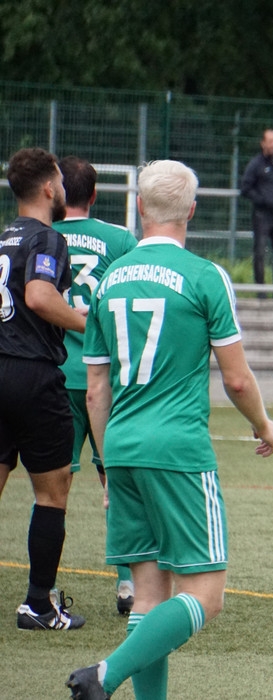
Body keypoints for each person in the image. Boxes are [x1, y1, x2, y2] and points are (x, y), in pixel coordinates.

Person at [66, 160, 273, 699]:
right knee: (206, 595)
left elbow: (95, 390)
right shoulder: (206, 277)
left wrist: (107, 462)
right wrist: (263, 423)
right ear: (192, 210)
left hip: (122, 447)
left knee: (147, 597)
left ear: (139, 207)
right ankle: (105, 674)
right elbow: (236, 379)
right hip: (178, 450)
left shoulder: (110, 280)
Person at [0, 147, 88, 631]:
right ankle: (38, 605)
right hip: (32, 374)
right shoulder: (47, 237)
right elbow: (38, 295)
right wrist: (85, 323)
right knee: (52, 492)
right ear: (50, 187)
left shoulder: (3, 238)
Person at [52, 156, 139, 616]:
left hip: (55, 375)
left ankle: (44, 586)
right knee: (117, 481)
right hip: (104, 377)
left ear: (56, 191)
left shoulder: (42, 236)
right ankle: (127, 583)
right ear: (95, 194)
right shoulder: (120, 240)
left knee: (52, 489)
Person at [240, 128, 273, 299]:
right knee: (260, 252)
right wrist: (262, 199)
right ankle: (261, 290)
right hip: (262, 215)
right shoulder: (256, 164)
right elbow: (245, 188)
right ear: (263, 143)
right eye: (270, 141)